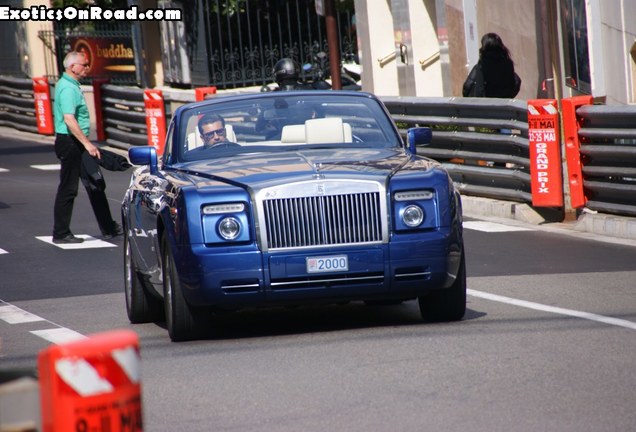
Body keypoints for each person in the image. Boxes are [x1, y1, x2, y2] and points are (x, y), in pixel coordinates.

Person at [51, 51, 122, 244]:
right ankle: (61, 233)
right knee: (68, 188)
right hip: (71, 143)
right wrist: (87, 144)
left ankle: (108, 227)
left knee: (95, 182)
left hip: (77, 142)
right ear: (72, 67)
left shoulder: (72, 85)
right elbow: (69, 119)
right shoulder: (67, 88)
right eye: (84, 64)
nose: (87, 67)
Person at [462, 33, 521, 98]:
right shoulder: (508, 64)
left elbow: (467, 86)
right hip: (504, 103)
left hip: (485, 104)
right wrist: (509, 96)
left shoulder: (481, 66)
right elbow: (517, 81)